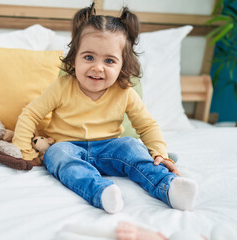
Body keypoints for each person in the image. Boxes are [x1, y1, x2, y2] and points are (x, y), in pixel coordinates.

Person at [12, 3, 198, 213]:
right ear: (75, 59)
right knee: (57, 153)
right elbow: (30, 114)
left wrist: (160, 154)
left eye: (109, 60)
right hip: (69, 146)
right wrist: (23, 151)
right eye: (89, 57)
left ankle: (169, 187)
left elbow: (147, 125)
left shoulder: (125, 92)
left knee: (131, 146)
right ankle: (102, 192)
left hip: (110, 148)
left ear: (122, 66)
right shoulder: (62, 87)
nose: (97, 67)